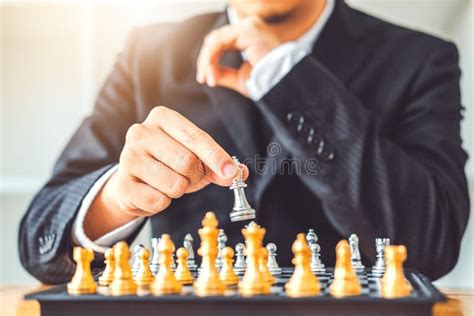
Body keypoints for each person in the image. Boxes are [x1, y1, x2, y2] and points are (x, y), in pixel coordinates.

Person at [19, 0, 469, 284]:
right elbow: (41, 242)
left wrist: (287, 75)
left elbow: (430, 244)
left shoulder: (421, 59)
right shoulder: (149, 54)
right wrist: (118, 197)